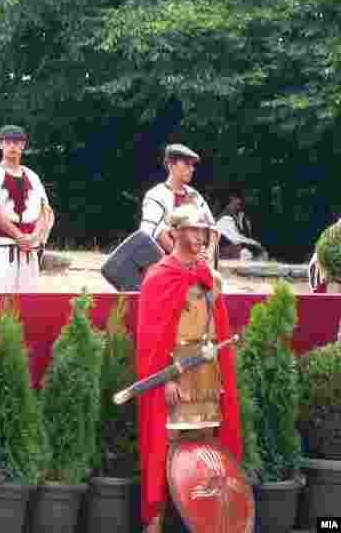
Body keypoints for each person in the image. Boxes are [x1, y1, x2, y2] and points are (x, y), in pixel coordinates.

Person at [136, 205, 243, 533]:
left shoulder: (210, 276)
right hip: (175, 378)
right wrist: (165, 378)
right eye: (195, 230)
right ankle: (154, 526)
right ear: (177, 232)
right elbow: (152, 338)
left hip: (208, 379)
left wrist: (222, 376)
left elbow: (217, 328)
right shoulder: (159, 276)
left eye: (204, 231)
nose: (201, 237)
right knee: (164, 457)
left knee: (206, 458)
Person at [0, 125, 55, 291]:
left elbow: (44, 211)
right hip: (1, 249)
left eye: (16, 142)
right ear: (0, 144)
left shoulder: (33, 177)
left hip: (28, 251)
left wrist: (34, 237)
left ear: (23, 145)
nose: (12, 146)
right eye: (8, 142)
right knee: (0, 302)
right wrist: (18, 236)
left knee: (28, 304)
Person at [140, 143, 217, 257]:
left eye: (192, 165)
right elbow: (153, 232)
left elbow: (213, 229)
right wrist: (182, 259)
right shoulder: (155, 195)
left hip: (196, 260)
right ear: (171, 165)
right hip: (165, 262)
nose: (191, 169)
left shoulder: (195, 195)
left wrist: (208, 257)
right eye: (186, 164)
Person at [214, 190, 267, 260]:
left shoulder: (240, 217)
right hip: (226, 253)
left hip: (234, 250)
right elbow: (236, 239)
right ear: (228, 205)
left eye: (239, 205)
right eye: (236, 205)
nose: (238, 208)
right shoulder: (224, 219)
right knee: (246, 253)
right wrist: (255, 244)